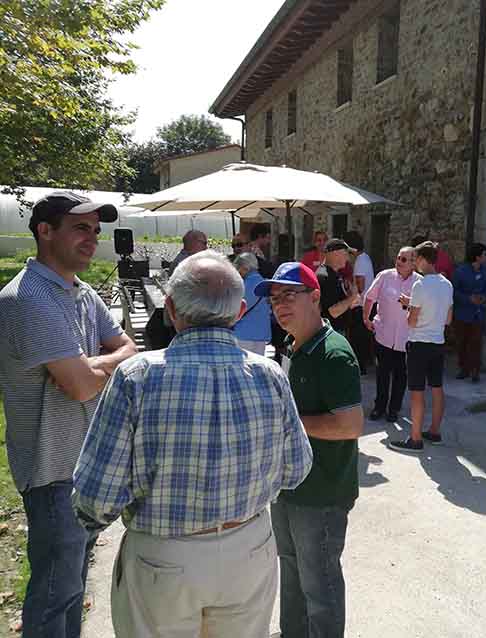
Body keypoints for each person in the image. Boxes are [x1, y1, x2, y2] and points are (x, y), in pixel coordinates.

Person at [73, 251, 312, 638]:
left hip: (163, 558)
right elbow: (296, 469)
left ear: (170, 308)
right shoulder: (270, 374)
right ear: (238, 311)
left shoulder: (137, 377)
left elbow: (97, 498)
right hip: (248, 548)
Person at [0, 191, 137, 638]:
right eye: (81, 228)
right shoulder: (28, 299)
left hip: (83, 464)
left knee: (73, 588)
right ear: (45, 230)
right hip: (52, 471)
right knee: (55, 593)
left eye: (96, 231)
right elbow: (79, 386)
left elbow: (127, 348)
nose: (92, 239)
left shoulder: (80, 292)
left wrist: (89, 365)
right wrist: (91, 368)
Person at [254, 261, 364, 638]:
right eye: (274, 298)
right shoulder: (291, 344)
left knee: (320, 584)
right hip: (287, 485)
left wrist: (286, 423)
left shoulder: (334, 353)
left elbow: (350, 426)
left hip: (321, 493)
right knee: (291, 567)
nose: (280, 305)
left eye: (289, 295)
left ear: (315, 297)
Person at [389, 241, 453, 452]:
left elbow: (412, 321)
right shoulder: (447, 284)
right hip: (438, 343)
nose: (414, 263)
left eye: (416, 259)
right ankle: (434, 431)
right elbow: (448, 319)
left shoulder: (420, 285)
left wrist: (409, 307)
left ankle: (415, 438)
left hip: (419, 345)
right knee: (437, 388)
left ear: (424, 260)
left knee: (417, 391)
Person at [363, 246, 422, 422]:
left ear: (413, 263)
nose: (398, 262)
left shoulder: (420, 282)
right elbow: (369, 297)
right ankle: (379, 407)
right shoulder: (385, 276)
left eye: (404, 259)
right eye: (398, 258)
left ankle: (394, 409)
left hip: (406, 338)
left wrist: (410, 303)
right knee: (382, 374)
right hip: (383, 335)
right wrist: (366, 318)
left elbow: (424, 308)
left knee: (401, 376)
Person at [452, 242, 486, 382]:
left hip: (478, 313)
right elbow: (453, 291)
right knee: (462, 341)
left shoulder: (485, 271)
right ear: (477, 256)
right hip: (462, 313)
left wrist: (484, 297)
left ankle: (475, 371)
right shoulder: (460, 271)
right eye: (485, 254)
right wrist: (468, 299)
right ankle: (464, 368)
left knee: (476, 342)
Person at [345, 230, 375, 374]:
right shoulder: (365, 258)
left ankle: (360, 367)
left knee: (358, 339)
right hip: (365, 304)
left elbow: (360, 286)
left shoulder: (360, 261)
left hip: (360, 305)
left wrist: (349, 288)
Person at [317, 237, 359, 334]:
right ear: (335, 254)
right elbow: (333, 312)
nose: (348, 258)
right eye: (345, 254)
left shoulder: (332, 273)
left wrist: (349, 299)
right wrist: (352, 297)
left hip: (335, 330)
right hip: (331, 333)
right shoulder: (325, 276)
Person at [233, 252, 272, 355]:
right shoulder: (264, 283)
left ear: (245, 268)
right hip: (261, 334)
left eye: (238, 268)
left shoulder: (245, 285)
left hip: (243, 334)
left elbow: (237, 309)